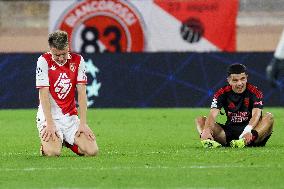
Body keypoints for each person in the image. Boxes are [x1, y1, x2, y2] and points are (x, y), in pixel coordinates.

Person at [36, 30, 99, 156]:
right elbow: (43, 94)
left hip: (70, 118)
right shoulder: (43, 61)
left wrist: (83, 124)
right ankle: (47, 146)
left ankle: (68, 142)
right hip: (49, 117)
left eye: (63, 54)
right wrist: (49, 124)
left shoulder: (78, 60)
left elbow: (81, 93)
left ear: (68, 47)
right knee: (53, 153)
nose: (60, 58)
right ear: (50, 49)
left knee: (92, 152)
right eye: (56, 55)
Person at [195, 63, 274, 148]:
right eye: (235, 80)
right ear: (229, 80)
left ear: (247, 78)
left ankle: (245, 141)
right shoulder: (221, 93)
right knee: (201, 120)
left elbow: (256, 114)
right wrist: (207, 130)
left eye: (242, 79)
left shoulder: (255, 92)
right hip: (229, 134)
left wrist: (247, 131)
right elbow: (212, 115)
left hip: (252, 132)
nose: (240, 83)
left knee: (269, 117)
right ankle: (209, 142)